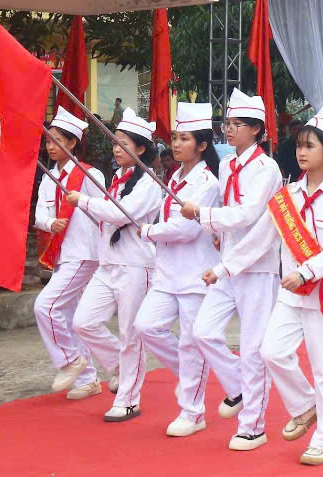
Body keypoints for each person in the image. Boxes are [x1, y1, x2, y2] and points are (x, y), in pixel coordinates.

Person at [251, 110, 323, 467]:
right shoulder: (288, 195)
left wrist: (306, 271)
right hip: (292, 295)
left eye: (309, 146)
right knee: (272, 352)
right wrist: (224, 267)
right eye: (299, 145)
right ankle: (305, 405)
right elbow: (262, 238)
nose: (301, 151)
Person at [178, 89, 283, 451]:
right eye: (228, 123)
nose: (229, 129)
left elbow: (248, 214)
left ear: (256, 130)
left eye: (237, 124)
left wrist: (202, 214)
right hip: (226, 262)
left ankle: (253, 426)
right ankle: (237, 385)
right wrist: (216, 232)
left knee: (253, 348)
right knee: (203, 331)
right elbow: (228, 209)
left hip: (257, 267)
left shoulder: (266, 169)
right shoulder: (226, 165)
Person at [133, 103, 229, 437]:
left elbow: (187, 229)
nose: (176, 144)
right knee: (146, 326)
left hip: (195, 274)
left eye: (184, 138)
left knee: (191, 345)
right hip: (167, 272)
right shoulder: (174, 177)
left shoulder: (208, 182)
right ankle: (188, 377)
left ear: (201, 145)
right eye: (174, 137)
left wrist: (149, 231)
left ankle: (193, 411)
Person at [65, 108, 163, 422]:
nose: (116, 149)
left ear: (141, 149)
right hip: (108, 264)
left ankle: (129, 399)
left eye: (123, 144)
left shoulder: (148, 184)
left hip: (135, 266)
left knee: (130, 334)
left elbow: (122, 214)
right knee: (83, 322)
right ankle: (119, 365)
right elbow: (106, 215)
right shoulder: (118, 181)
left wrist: (83, 200)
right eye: (115, 143)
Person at [32, 107, 107, 400]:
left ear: (73, 143)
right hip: (63, 254)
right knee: (70, 314)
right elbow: (39, 215)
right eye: (48, 140)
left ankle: (69, 359)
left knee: (45, 306)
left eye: (57, 140)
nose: (51, 146)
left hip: (85, 252)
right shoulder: (49, 177)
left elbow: (105, 212)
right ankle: (88, 379)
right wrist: (51, 223)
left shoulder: (90, 174)